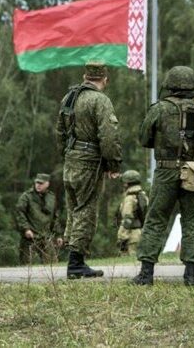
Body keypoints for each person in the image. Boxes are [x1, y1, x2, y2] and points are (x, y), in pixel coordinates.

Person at [132, 66, 194, 286]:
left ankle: (146, 274)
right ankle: (191, 274)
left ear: (170, 83)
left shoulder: (160, 108)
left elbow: (144, 138)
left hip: (166, 170)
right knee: (193, 220)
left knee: (156, 218)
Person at [57, 61, 122, 278]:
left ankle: (72, 256)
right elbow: (109, 135)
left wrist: (66, 155)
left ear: (85, 76)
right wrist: (113, 164)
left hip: (70, 159)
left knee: (74, 208)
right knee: (86, 210)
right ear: (105, 79)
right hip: (88, 161)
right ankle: (76, 263)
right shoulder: (100, 100)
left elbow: (60, 132)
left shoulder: (69, 97)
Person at [16, 173, 65, 264]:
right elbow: (20, 213)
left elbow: (55, 217)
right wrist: (26, 229)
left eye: (41, 183)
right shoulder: (26, 196)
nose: (38, 185)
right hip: (30, 236)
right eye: (37, 183)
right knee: (26, 266)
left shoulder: (51, 197)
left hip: (46, 236)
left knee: (52, 265)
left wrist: (58, 235)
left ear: (47, 184)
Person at [115, 170, 148, 256]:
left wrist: (122, 237)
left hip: (131, 236)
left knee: (129, 262)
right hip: (141, 233)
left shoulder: (129, 198)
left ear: (126, 184)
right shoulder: (143, 196)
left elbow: (127, 219)